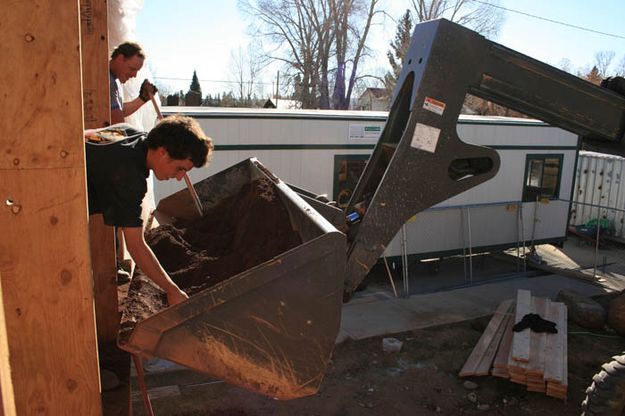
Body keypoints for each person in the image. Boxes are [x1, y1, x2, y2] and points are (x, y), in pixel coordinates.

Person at [85, 115, 213, 306]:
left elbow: (86, 137)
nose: (179, 177)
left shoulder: (129, 132)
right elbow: (135, 245)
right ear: (162, 152)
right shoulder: (129, 179)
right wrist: (172, 290)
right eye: (180, 168)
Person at [109, 41, 158, 124]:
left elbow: (119, 111)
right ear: (120, 58)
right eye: (132, 69)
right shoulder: (106, 81)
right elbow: (118, 123)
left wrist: (142, 99)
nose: (134, 75)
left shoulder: (114, 80)